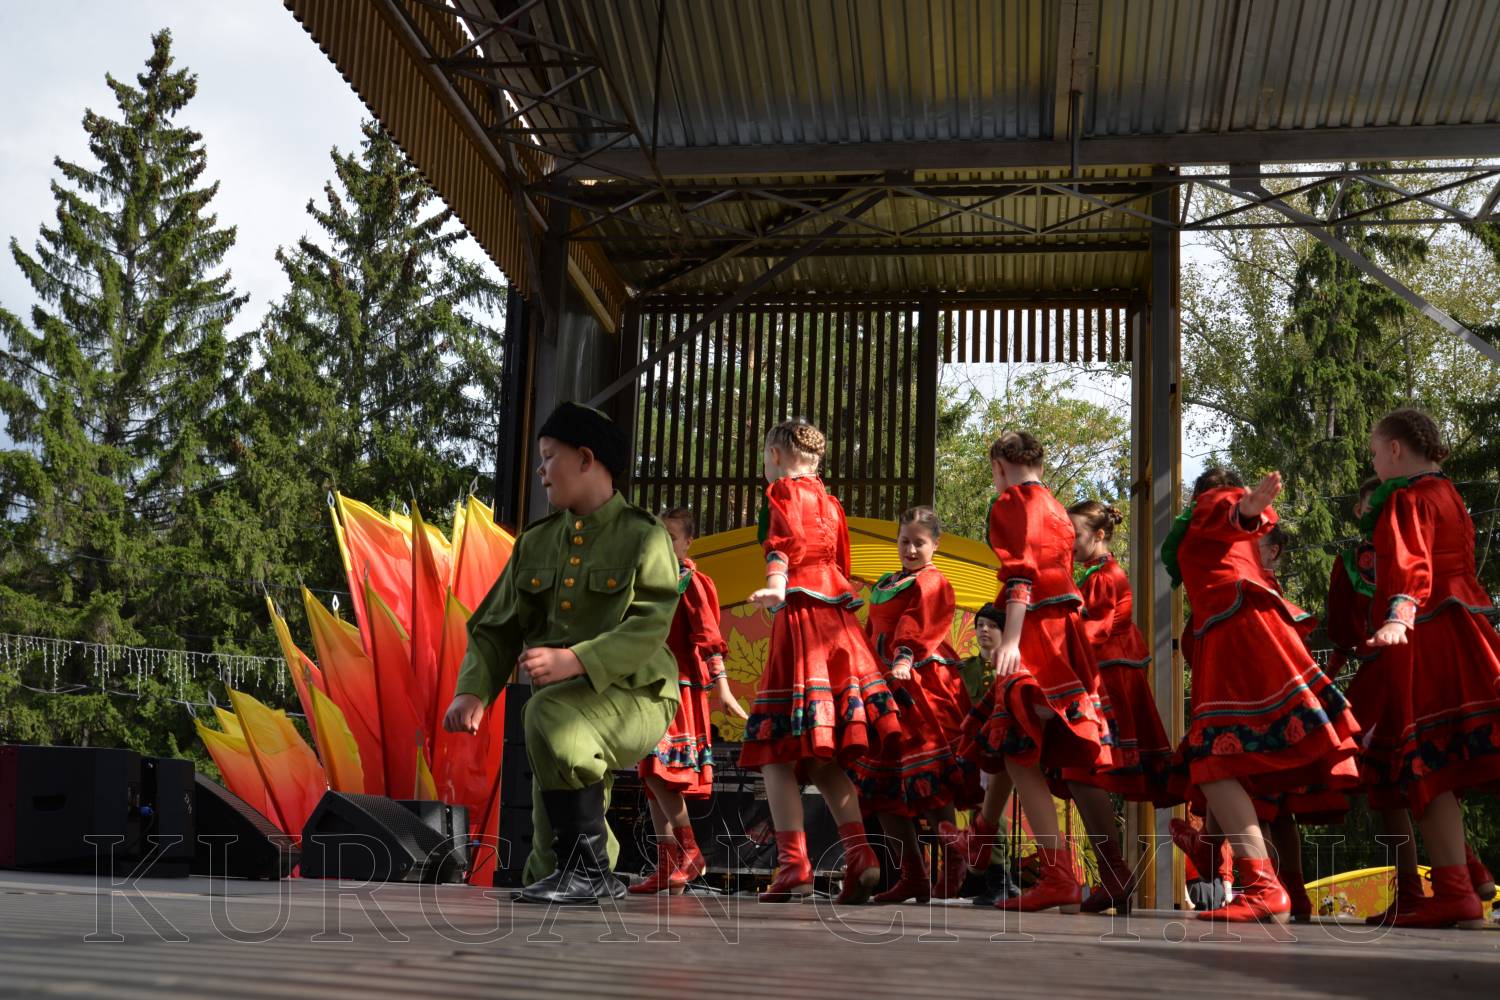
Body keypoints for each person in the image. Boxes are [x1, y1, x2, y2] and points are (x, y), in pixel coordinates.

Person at [443, 402, 680, 905]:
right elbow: (496, 627)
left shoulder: (645, 536)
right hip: (567, 712)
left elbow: (650, 624)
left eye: (549, 456)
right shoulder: (537, 543)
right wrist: (474, 690)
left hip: (638, 695)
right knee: (549, 863)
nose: (541, 470)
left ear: (586, 459)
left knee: (544, 711)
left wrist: (575, 660)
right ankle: (585, 880)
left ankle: (591, 872)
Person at [1164, 467, 1360, 923]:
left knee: (1213, 761)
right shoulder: (1223, 541)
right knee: (1223, 763)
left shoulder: (1209, 508)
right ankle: (1249, 874)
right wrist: (1247, 511)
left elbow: (1230, 511)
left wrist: (1246, 508)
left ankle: (1261, 885)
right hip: (1238, 638)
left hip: (1237, 641)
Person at [739, 417, 902, 904]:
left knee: (774, 750)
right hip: (837, 624)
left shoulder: (783, 491)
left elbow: (782, 542)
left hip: (801, 618)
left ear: (774, 455)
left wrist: (775, 584)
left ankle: (794, 864)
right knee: (820, 755)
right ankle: (861, 854)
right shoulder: (832, 503)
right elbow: (842, 566)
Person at [959, 431, 1111, 914]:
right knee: (1009, 742)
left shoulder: (1011, 502)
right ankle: (985, 840)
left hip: (1034, 634)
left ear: (999, 466)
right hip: (1063, 631)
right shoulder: (1057, 508)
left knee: (1016, 749)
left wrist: (1010, 639)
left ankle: (1056, 872)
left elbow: (1021, 574)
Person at [1364, 408, 1500, 929]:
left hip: (1430, 632)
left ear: (1396, 449)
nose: (1375, 464)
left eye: (1375, 453)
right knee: (1447, 754)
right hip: (1465, 623)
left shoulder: (1408, 498)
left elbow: (1411, 562)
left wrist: (1398, 615)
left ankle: (1456, 890)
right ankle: (1464, 876)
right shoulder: (1449, 493)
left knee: (1429, 759)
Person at [847, 506, 979, 903]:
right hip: (884, 684)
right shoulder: (887, 581)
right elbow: (872, 630)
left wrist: (903, 655)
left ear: (936, 544)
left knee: (929, 779)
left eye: (919, 542)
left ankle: (952, 866)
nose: (910, 549)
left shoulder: (933, 580)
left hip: (920, 683)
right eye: (904, 541)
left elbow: (919, 624)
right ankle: (913, 875)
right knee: (880, 786)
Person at [1062, 500, 1180, 914]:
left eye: (1075, 534)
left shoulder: (1104, 577)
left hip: (1107, 679)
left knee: (1083, 772)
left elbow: (1093, 630)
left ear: (1099, 535)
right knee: (1081, 774)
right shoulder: (1095, 574)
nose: (1069, 542)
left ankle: (1114, 873)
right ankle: (1112, 874)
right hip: (1105, 674)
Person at [630, 508, 749, 895]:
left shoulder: (692, 581)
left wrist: (723, 687)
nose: (663, 545)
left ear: (687, 543)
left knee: (659, 770)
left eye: (670, 538)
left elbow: (710, 638)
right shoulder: (649, 582)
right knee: (650, 776)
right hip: (650, 686)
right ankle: (668, 865)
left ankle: (690, 850)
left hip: (678, 688)